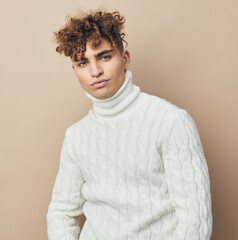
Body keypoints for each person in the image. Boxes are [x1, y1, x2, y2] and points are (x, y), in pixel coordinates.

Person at [47, 9, 212, 240]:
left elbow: (195, 220)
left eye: (104, 56)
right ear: (75, 69)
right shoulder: (76, 136)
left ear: (124, 59)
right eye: (83, 62)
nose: (95, 71)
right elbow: (61, 212)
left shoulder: (171, 121)